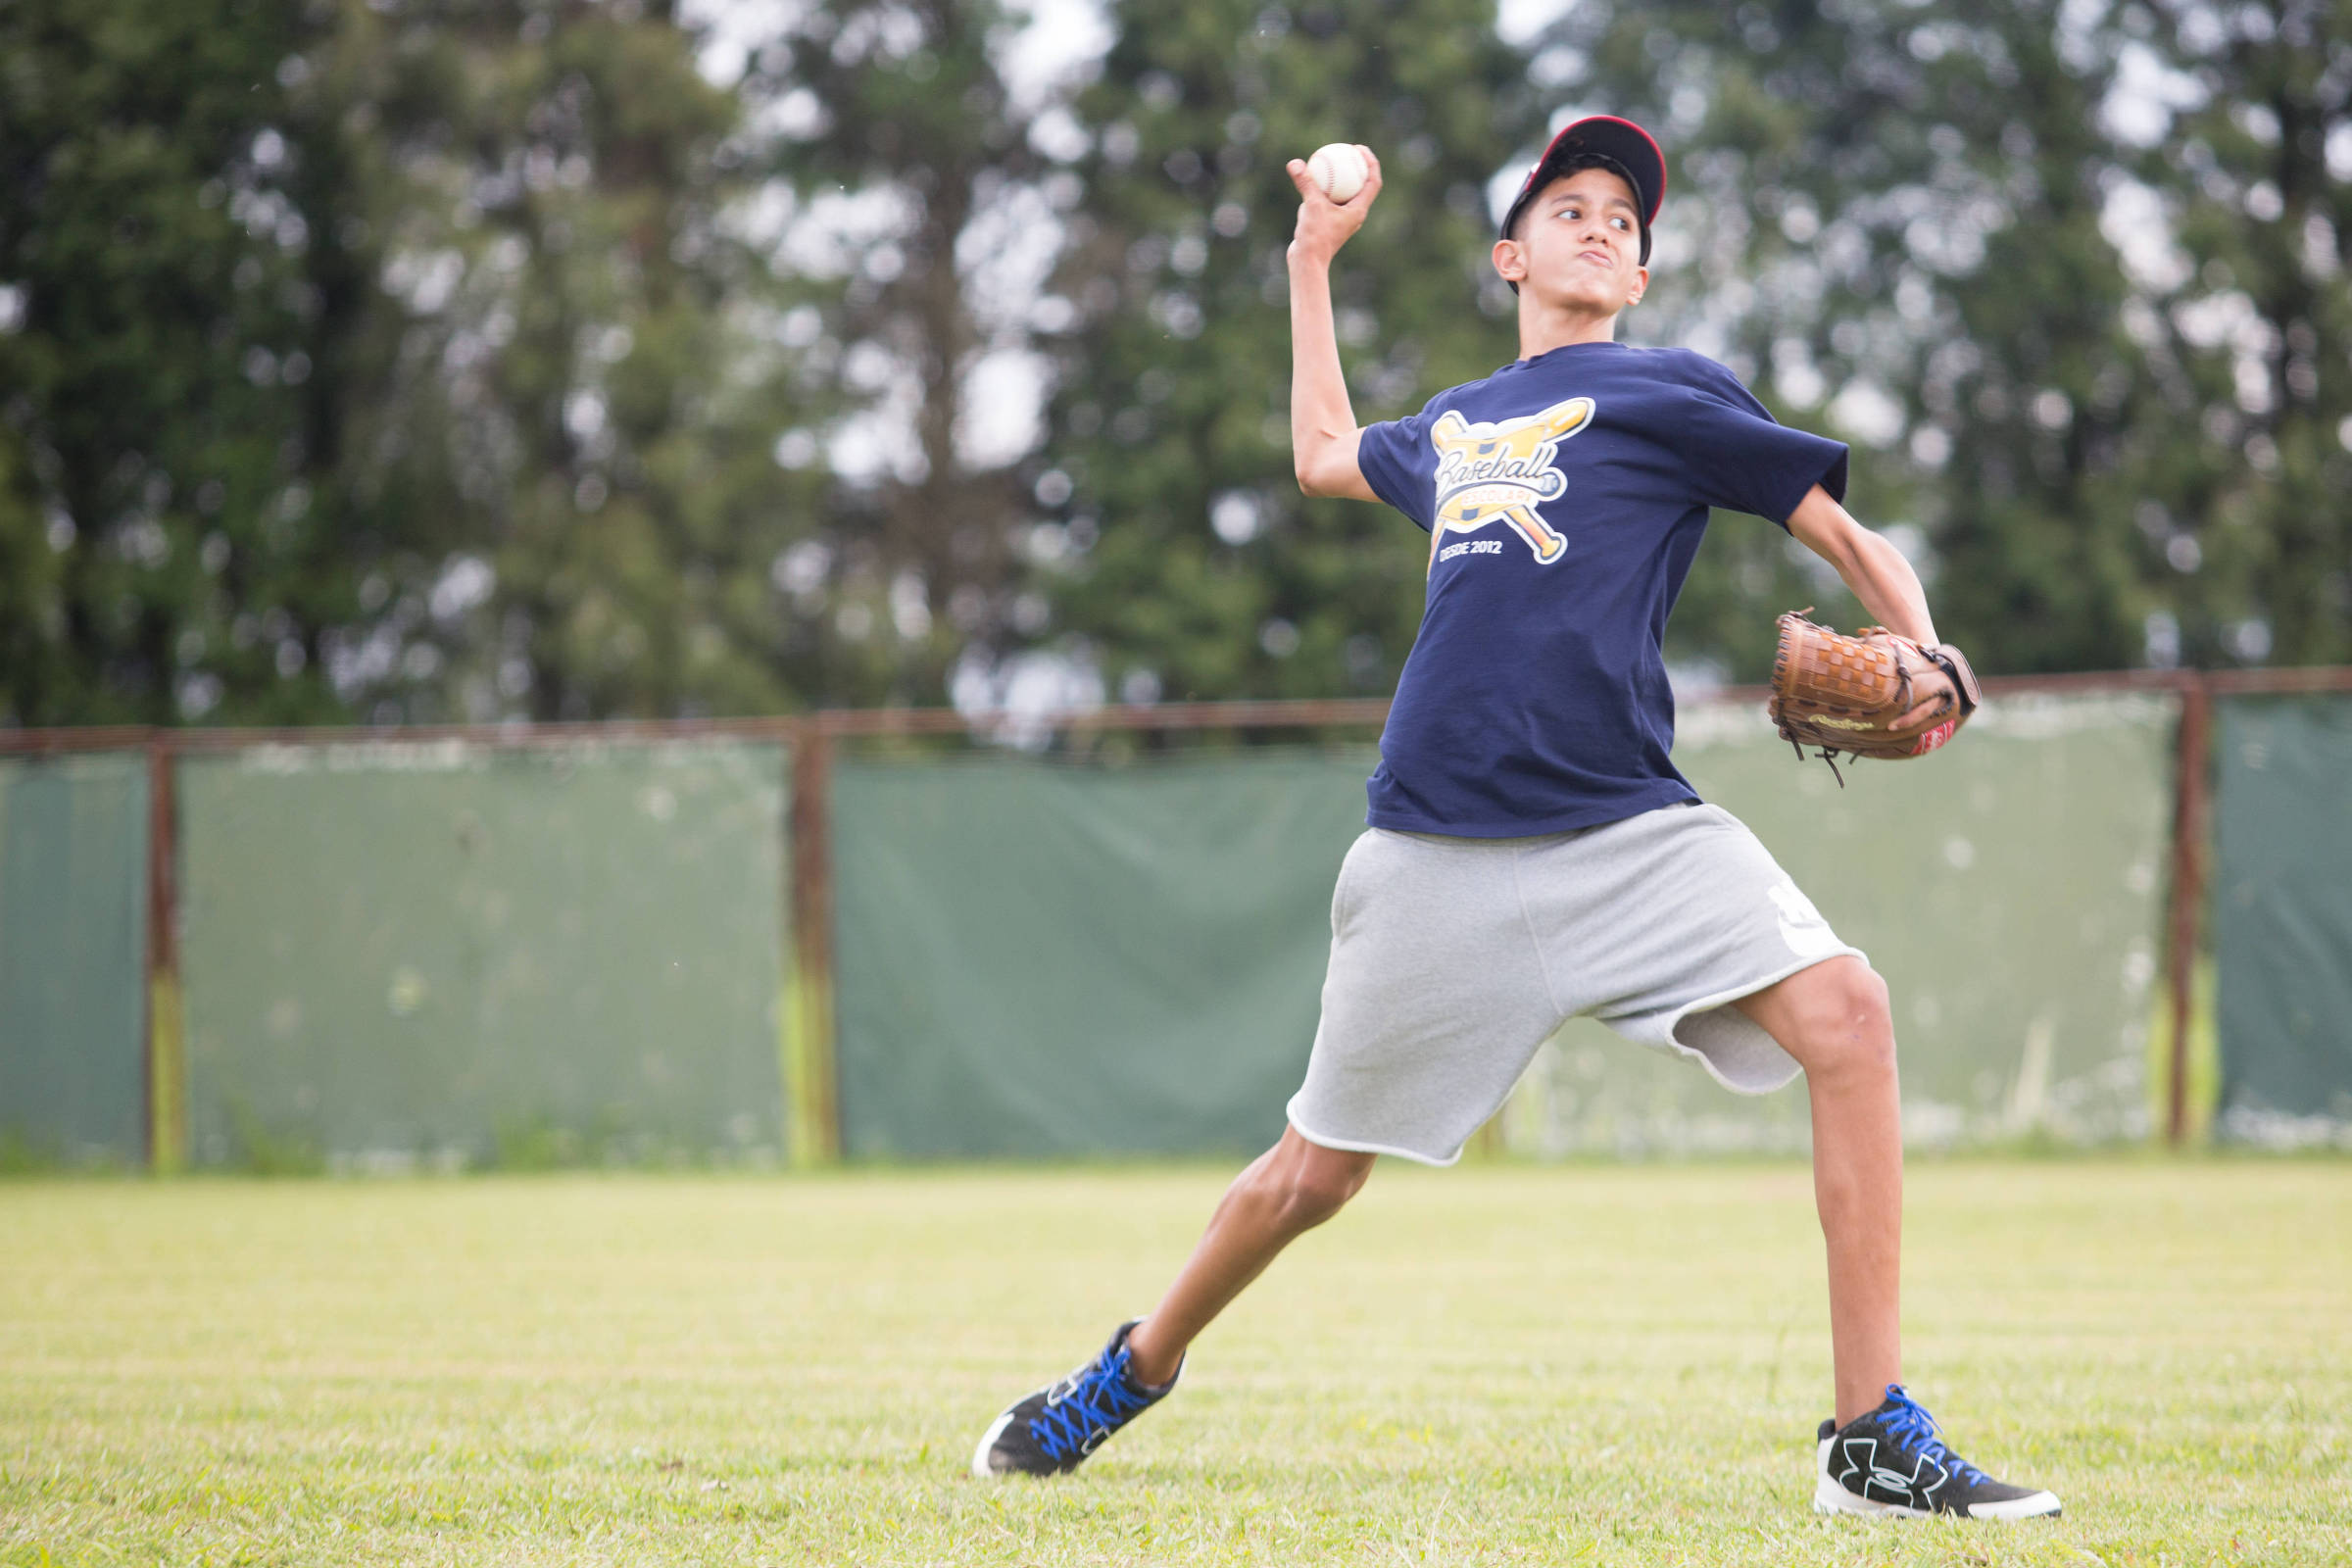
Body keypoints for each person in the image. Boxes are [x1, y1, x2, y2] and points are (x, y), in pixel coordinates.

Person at [971, 115, 2060, 1522]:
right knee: (1310, 1176)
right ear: (1511, 254)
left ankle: (1869, 1437)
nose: (1604, 223)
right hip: (1435, 849)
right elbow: (1315, 454)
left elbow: (1848, 542)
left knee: (1850, 1015)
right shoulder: (1457, 422)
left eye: (1627, 217)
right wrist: (1311, 262)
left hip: (1628, 832)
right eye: (1573, 205)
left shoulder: (1673, 393)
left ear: (1642, 277)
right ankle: (1128, 1370)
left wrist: (1930, 654)